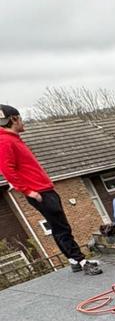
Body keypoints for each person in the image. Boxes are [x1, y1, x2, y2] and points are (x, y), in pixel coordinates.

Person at [0, 103, 102, 275]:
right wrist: (29, 191)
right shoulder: (5, 141)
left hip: (43, 190)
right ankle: (81, 261)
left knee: (57, 226)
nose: (23, 122)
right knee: (62, 227)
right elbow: (7, 169)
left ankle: (72, 259)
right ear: (14, 119)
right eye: (21, 118)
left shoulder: (12, 139)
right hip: (39, 192)